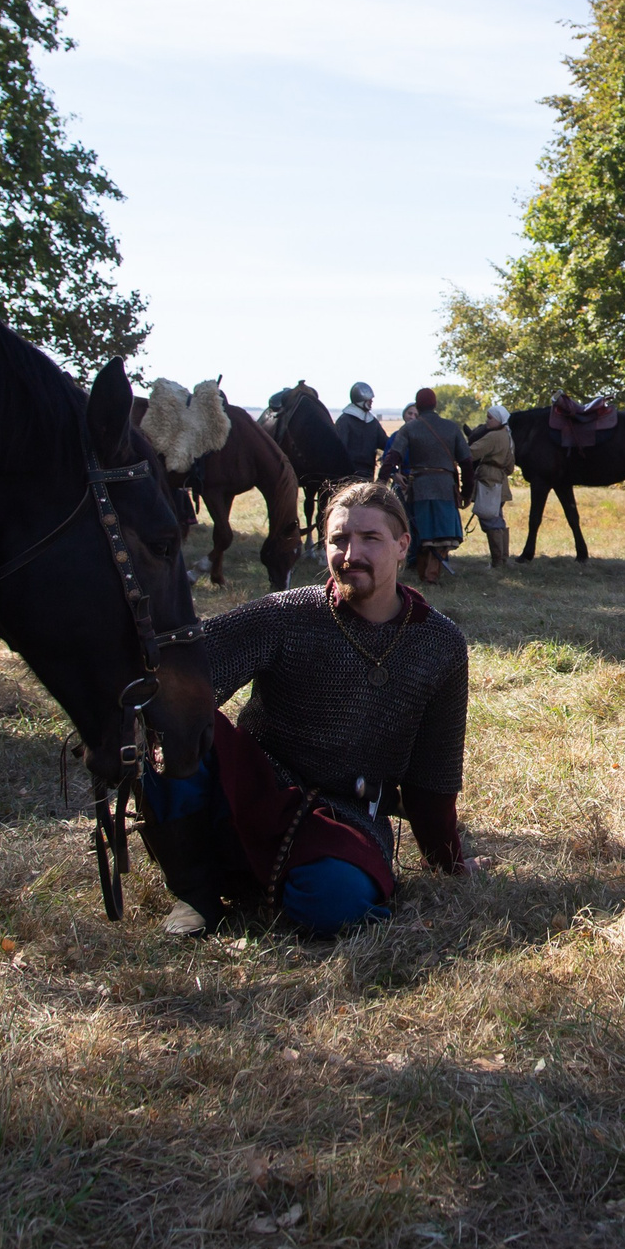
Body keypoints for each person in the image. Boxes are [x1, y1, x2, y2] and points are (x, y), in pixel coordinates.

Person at [142, 481, 482, 938]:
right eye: (338, 539)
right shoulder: (285, 615)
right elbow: (192, 672)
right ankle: (195, 894)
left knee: (335, 904)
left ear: (403, 546)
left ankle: (256, 878)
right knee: (176, 725)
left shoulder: (439, 645)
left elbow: (432, 777)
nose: (350, 554)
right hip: (251, 788)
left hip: (345, 813)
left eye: (370, 539)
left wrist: (448, 861)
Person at [387, 387, 471, 584]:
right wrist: (467, 493)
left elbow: (392, 456)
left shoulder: (409, 428)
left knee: (424, 535)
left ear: (418, 405)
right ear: (435, 405)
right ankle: (429, 576)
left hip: (420, 489)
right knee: (442, 535)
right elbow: (467, 462)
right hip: (446, 489)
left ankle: (428, 575)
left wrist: (383, 480)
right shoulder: (451, 427)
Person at [466, 403, 517, 568]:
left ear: (499, 419)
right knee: (498, 519)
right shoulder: (508, 437)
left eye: (490, 417)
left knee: (490, 519)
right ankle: (503, 559)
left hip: (489, 480)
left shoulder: (493, 436)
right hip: (501, 482)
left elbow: (471, 453)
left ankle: (497, 562)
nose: (487, 421)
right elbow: (510, 467)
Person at [331, 381, 388, 479]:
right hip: (348, 475)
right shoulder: (345, 421)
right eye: (369, 400)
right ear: (361, 400)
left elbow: (385, 443)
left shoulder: (372, 422)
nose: (371, 402)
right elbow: (339, 450)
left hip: (368, 473)